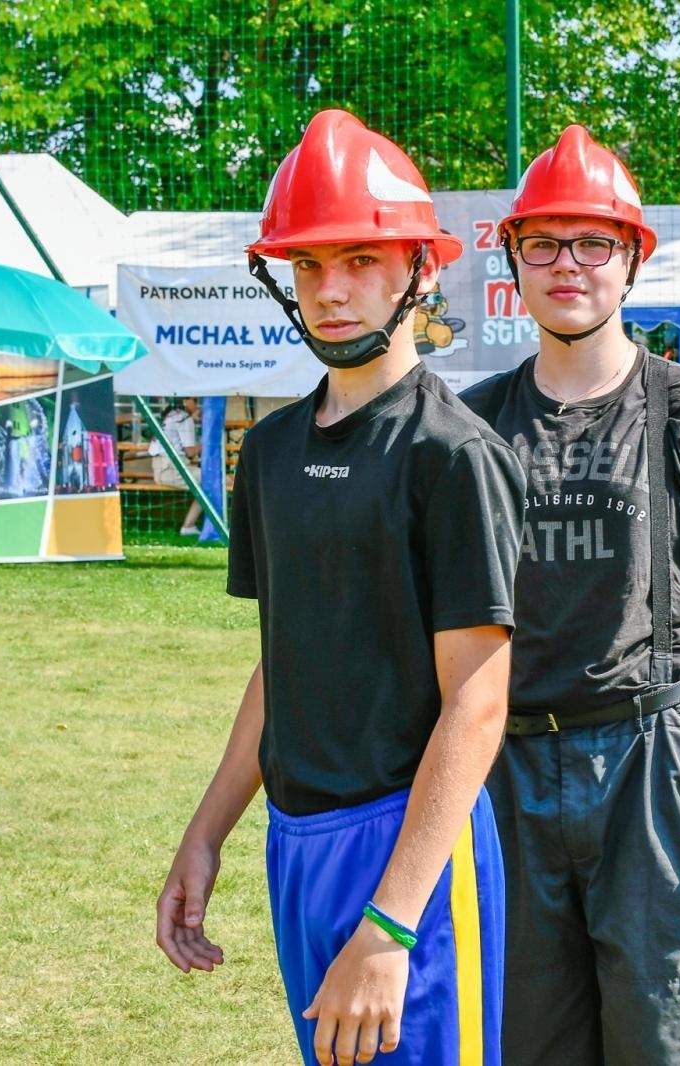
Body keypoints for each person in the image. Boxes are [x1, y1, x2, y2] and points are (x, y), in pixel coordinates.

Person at [156, 109, 525, 1066]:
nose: (330, 290)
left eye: (360, 259)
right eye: (308, 264)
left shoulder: (453, 454)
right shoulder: (271, 451)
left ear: (421, 268)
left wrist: (393, 925)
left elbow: (479, 704)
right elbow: (284, 666)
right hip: (296, 839)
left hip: (413, 852)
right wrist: (206, 835)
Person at [461, 124, 680, 1066]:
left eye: (594, 241)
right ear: (515, 259)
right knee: (523, 1038)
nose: (569, 264)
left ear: (633, 259)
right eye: (545, 242)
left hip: (656, 763)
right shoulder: (473, 426)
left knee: (670, 1033)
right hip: (507, 766)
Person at [150, 397, 205, 535]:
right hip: (172, 469)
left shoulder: (169, 415)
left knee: (213, 480)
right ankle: (189, 526)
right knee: (212, 481)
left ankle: (190, 526)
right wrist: (207, 443)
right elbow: (190, 452)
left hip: (160, 469)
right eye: (196, 401)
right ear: (186, 401)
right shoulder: (184, 418)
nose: (198, 405)